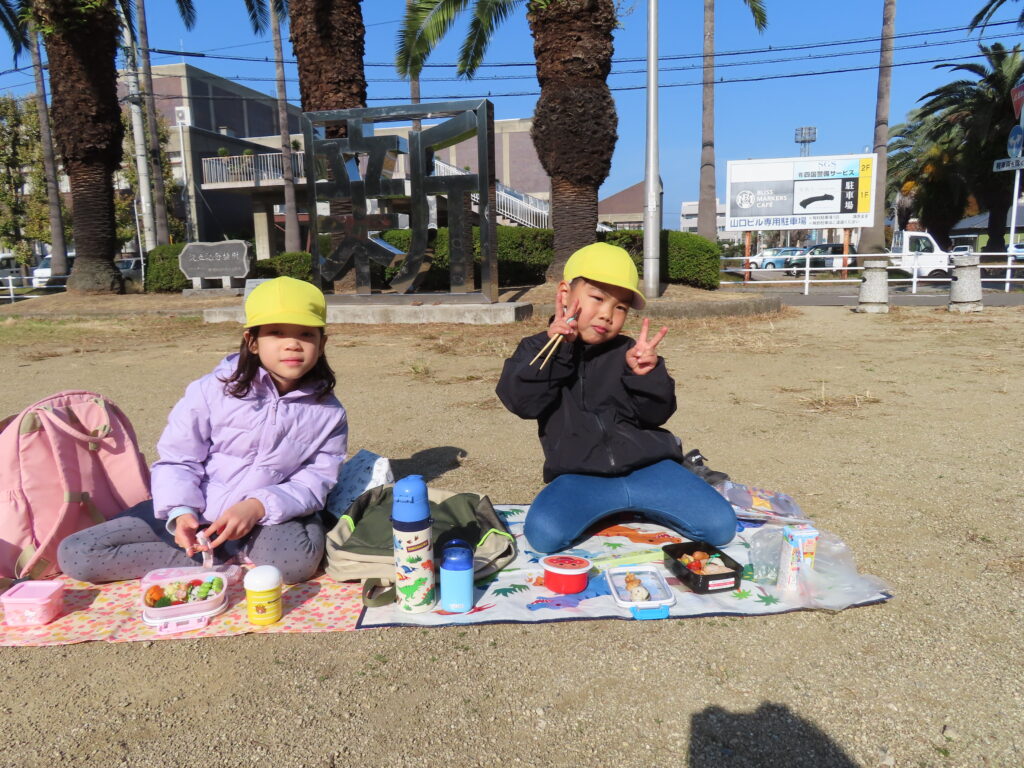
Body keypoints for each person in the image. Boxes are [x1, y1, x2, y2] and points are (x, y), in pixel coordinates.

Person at [58, 277, 348, 584]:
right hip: (200, 507)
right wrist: (180, 512)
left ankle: (225, 551)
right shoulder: (210, 391)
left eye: (306, 334)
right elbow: (177, 459)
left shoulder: (329, 413)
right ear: (252, 341)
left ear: (321, 344)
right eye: (276, 332)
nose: (292, 344)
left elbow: (315, 481)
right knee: (77, 554)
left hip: (268, 516)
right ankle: (221, 554)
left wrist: (258, 506)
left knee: (294, 566)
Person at [496, 243, 736, 554]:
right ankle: (617, 508)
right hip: (580, 477)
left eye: (620, 307)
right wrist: (560, 350)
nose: (607, 314)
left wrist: (646, 375)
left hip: (650, 469)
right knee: (544, 535)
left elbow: (656, 414)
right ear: (565, 293)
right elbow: (522, 403)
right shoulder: (539, 350)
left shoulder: (631, 353)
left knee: (720, 527)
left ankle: (671, 485)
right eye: (597, 298)